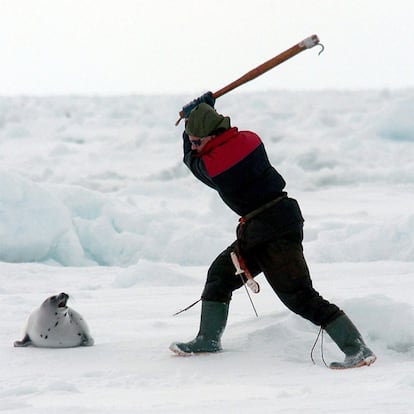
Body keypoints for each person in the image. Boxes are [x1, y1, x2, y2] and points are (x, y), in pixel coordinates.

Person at [169, 94, 376, 369]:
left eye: (197, 141)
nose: (194, 146)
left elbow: (191, 161)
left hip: (272, 230)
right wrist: (204, 112)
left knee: (300, 296)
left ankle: (357, 349)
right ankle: (208, 339)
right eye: (192, 140)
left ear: (211, 135)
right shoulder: (250, 139)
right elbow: (208, 144)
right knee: (220, 275)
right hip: (266, 225)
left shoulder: (215, 165)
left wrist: (189, 124)